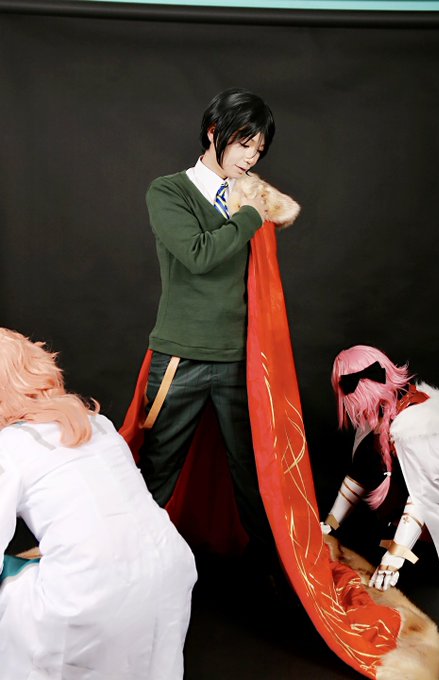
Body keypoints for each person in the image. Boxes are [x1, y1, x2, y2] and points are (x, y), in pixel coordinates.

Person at [0, 328, 197, 680]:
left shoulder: (10, 446)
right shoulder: (98, 422)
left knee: (12, 589)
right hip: (171, 571)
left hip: (90, 590)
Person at [139, 88, 276, 560]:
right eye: (244, 144)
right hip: (181, 354)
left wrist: (251, 209)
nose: (251, 158)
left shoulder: (249, 194)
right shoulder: (168, 191)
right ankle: (132, 569)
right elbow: (198, 255)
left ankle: (276, 578)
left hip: (239, 357)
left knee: (255, 475)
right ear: (215, 132)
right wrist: (251, 217)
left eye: (258, 149)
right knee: (158, 470)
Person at [322, 344, 439, 592]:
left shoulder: (420, 427)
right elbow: (361, 471)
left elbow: (424, 496)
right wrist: (330, 524)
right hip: (416, 519)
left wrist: (392, 560)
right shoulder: (379, 413)